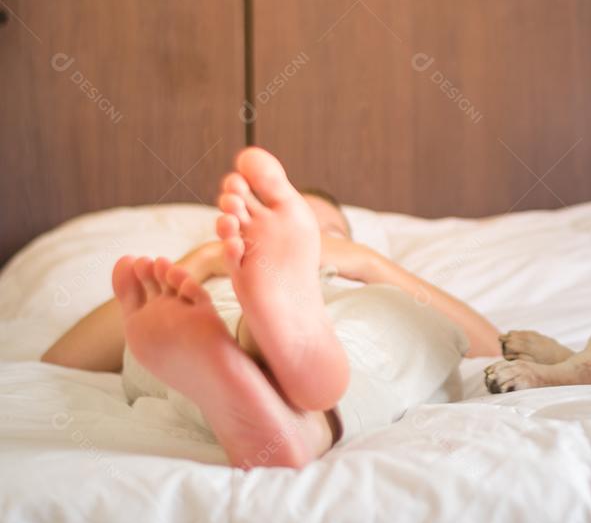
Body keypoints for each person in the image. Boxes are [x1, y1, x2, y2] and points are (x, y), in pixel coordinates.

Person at [42, 147, 501, 468]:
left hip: (347, 302)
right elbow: (65, 359)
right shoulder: (208, 277)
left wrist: (368, 264)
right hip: (223, 300)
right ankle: (279, 382)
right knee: (190, 330)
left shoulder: (370, 277)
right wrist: (201, 263)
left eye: (327, 234)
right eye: (301, 234)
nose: (318, 243)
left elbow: (493, 347)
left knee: (397, 315)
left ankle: (261, 360)